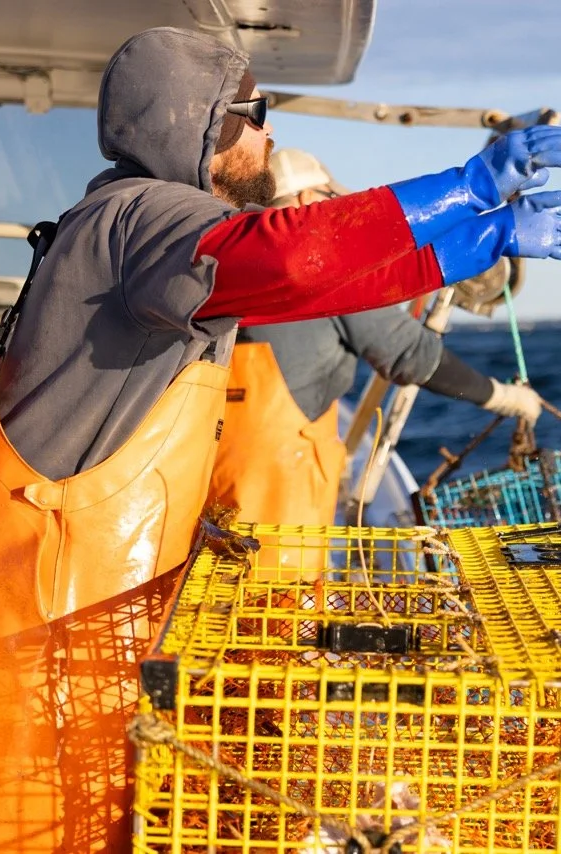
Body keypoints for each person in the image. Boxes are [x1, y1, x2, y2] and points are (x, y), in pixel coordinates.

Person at [0, 26, 561, 853]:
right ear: (204, 122)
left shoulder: (141, 225)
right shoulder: (147, 218)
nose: (270, 131)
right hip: (54, 613)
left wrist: (479, 235)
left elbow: (325, 283)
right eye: (257, 113)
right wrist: (464, 186)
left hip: (85, 593)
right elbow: (295, 261)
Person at [207, 149, 541, 561]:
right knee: (281, 601)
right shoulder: (320, 268)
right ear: (301, 202)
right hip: (280, 479)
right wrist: (504, 398)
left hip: (213, 463)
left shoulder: (230, 260)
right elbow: (409, 353)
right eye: (326, 198)